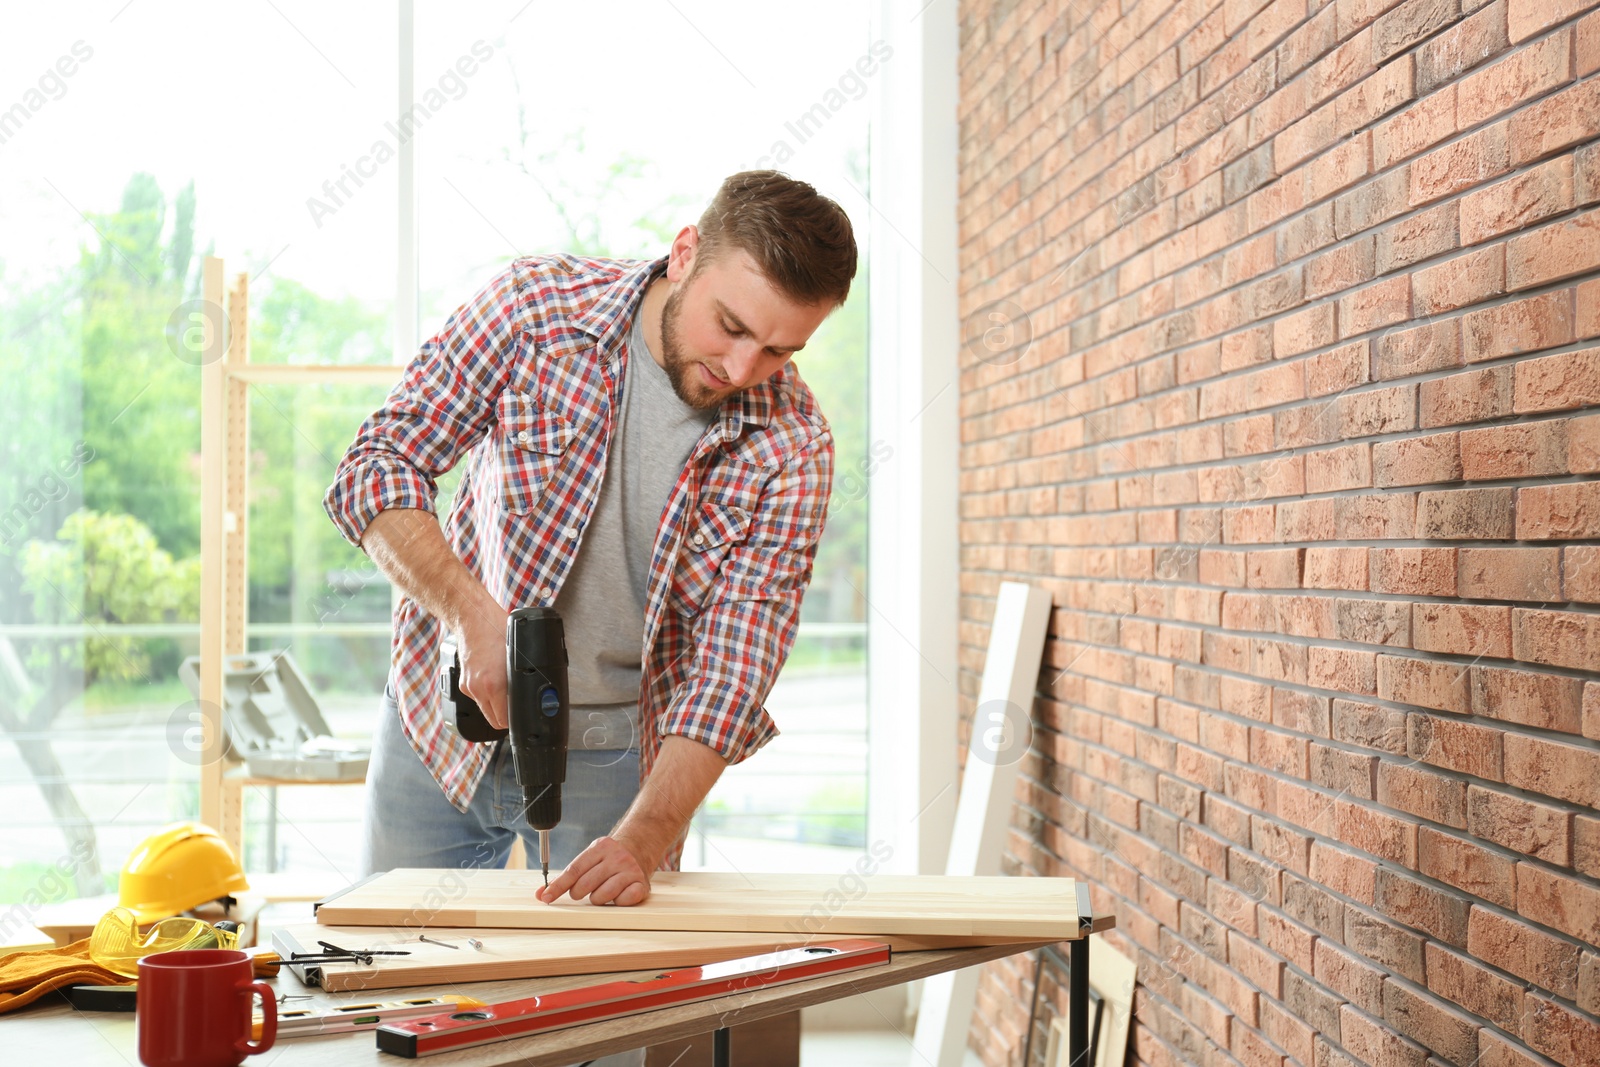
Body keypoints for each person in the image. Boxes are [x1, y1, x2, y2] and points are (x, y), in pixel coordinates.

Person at [323, 170, 855, 912]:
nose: (742, 370)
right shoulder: (534, 309)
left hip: (619, 762)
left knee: (602, 1011)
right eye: (731, 326)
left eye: (778, 351)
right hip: (440, 722)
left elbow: (730, 676)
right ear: (683, 254)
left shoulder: (793, 445)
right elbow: (377, 467)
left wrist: (642, 839)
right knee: (391, 972)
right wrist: (471, 616)